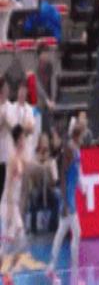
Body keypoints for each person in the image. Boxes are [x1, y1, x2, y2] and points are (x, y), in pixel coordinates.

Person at [46, 123, 84, 282]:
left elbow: (77, 172)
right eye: (82, 134)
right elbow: (63, 176)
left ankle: (51, 268)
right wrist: (65, 203)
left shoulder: (77, 149)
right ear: (78, 134)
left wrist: (82, 187)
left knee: (62, 233)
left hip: (70, 197)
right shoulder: (69, 150)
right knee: (75, 232)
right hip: (67, 199)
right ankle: (73, 271)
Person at [0, 125, 27, 284]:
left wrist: (18, 207)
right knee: (5, 246)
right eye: (22, 138)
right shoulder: (12, 159)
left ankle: (8, 273)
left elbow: (20, 186)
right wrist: (10, 212)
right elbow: (9, 186)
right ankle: (6, 275)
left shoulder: (21, 158)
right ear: (17, 140)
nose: (24, 141)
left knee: (21, 243)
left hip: (15, 206)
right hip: (7, 205)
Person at [11, 82, 35, 161]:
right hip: (14, 147)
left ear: (26, 93)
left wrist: (21, 127)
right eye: (20, 91)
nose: (22, 94)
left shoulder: (30, 109)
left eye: (24, 92)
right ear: (17, 92)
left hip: (27, 147)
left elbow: (31, 129)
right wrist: (24, 127)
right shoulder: (12, 107)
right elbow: (13, 128)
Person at [0, 78, 15, 200]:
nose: (7, 90)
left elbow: (15, 129)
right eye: (5, 87)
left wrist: (7, 123)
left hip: (7, 153)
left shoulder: (11, 107)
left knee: (4, 186)